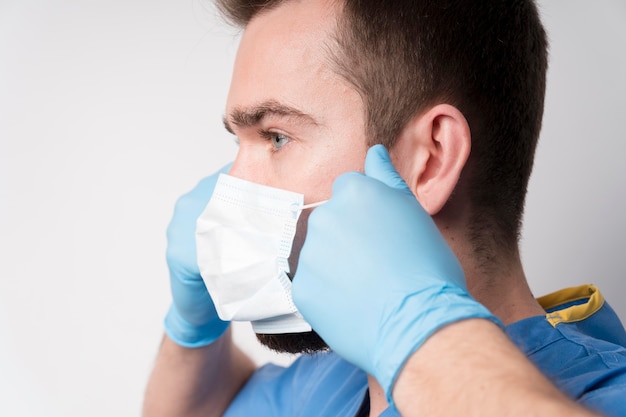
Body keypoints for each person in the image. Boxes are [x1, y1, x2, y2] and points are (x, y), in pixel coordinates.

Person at [142, 1, 626, 416]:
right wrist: (193, 329)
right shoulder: (333, 383)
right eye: (239, 143)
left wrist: (415, 328)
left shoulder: (602, 392)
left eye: (276, 136)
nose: (231, 187)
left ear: (431, 159)